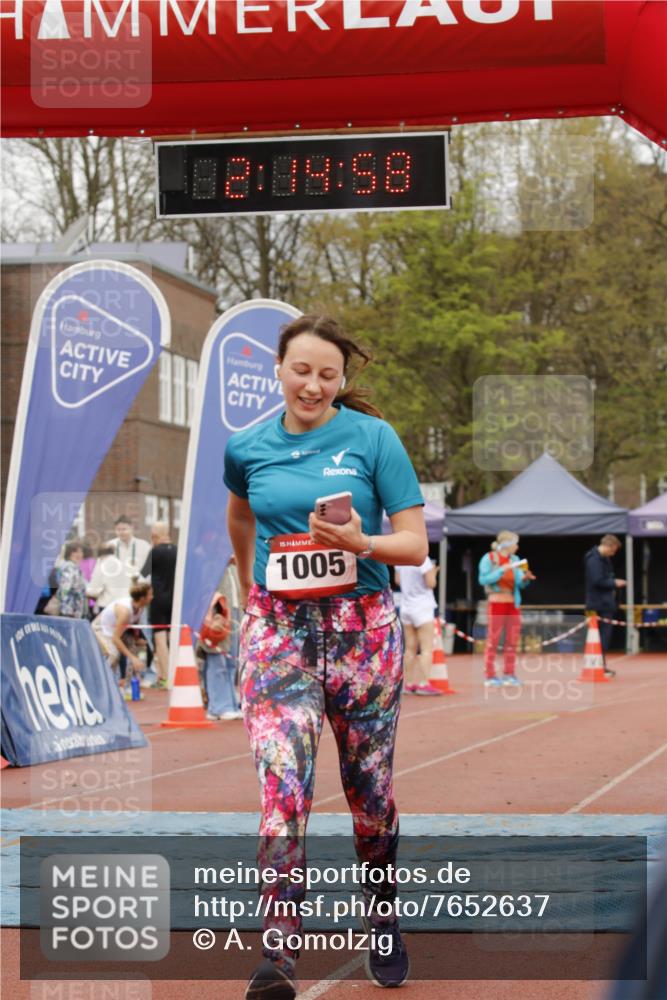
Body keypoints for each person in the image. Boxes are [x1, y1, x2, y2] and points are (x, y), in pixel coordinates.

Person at [224, 314, 427, 1000]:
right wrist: (255, 594)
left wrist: (360, 543)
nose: (312, 385)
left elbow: (414, 545)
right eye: (301, 370)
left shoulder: (373, 438)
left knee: (369, 796)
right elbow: (240, 518)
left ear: (342, 380)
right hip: (278, 634)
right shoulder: (245, 445)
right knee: (282, 793)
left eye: (327, 374)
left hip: (361, 632)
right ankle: (278, 955)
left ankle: (382, 918)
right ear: (278, 370)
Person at [478, 530, 535, 688]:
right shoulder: (489, 558)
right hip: (496, 602)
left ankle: (509, 674)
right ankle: (490, 675)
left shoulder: (516, 559)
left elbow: (519, 584)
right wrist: (502, 569)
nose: (517, 547)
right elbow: (483, 579)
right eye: (515, 543)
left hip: (512, 602)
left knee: (512, 639)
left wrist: (525, 579)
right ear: (507, 544)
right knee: (493, 639)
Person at [91, 581, 153, 690]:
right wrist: (132, 657)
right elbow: (116, 639)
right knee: (114, 654)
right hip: (100, 628)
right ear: (143, 598)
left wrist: (137, 640)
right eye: (150, 595)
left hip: (115, 631)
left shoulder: (140, 607)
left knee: (138, 648)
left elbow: (134, 627)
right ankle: (100, 684)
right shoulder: (124, 611)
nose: (152, 597)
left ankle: (128, 686)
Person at [394, 558, 441, 695]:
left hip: (406, 607)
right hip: (422, 606)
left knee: (410, 648)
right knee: (426, 648)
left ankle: (408, 683)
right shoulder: (423, 560)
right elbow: (431, 583)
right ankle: (424, 683)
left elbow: (398, 581)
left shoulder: (401, 560)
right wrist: (433, 572)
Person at [140, 522, 177, 688]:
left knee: (160, 639)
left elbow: (143, 574)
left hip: (158, 600)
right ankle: (170, 674)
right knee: (174, 637)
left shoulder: (154, 552)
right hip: (175, 599)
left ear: (154, 535)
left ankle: (167, 677)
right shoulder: (178, 551)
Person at [584, 534, 625, 678]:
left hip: (606, 603)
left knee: (603, 637)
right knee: (599, 636)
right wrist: (614, 583)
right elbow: (597, 580)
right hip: (598, 604)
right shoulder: (593, 559)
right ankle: (597, 666)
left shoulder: (604, 559)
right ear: (608, 546)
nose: (613, 554)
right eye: (613, 550)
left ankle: (600, 665)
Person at [198, 589, 242, 721]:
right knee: (217, 660)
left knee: (231, 663)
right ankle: (218, 707)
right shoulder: (213, 568)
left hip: (234, 611)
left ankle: (230, 704)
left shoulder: (234, 569)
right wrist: (215, 614)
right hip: (216, 613)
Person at [107, 515, 151, 600]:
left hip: (138, 592)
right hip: (117, 592)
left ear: (132, 528)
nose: (121, 532)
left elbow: (149, 571)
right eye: (118, 530)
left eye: (124, 529)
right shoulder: (110, 546)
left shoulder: (144, 546)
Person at [53, 540, 88, 618]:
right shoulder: (69, 567)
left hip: (74, 609)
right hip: (70, 610)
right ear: (69, 553)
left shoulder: (75, 566)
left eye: (81, 552)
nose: (79, 554)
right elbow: (65, 588)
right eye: (75, 552)